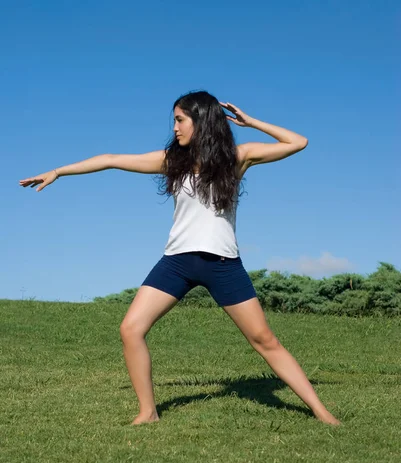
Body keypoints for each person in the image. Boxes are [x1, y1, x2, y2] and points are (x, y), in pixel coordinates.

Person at [20, 90, 340, 426]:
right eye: (174, 120)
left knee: (264, 340)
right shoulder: (172, 161)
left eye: (180, 120)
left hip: (223, 264)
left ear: (201, 121)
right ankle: (148, 412)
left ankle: (321, 412)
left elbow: (298, 141)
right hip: (176, 262)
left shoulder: (238, 156)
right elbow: (111, 158)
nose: (174, 127)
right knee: (130, 329)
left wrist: (251, 122)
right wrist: (58, 172)